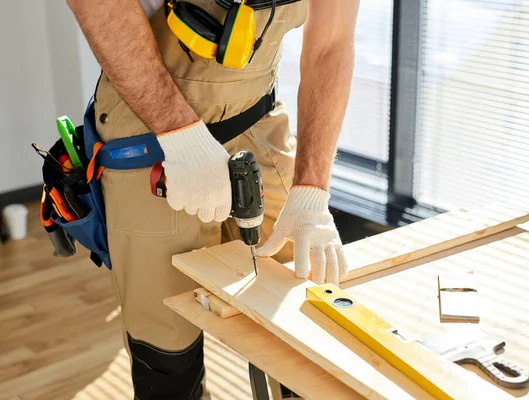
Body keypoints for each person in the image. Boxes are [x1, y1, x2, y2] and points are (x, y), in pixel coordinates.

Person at [67, 0, 359, 398]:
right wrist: (179, 133)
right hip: (150, 135)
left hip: (256, 118)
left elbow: (332, 42)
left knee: (303, 322)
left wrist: (311, 189)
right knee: (167, 354)